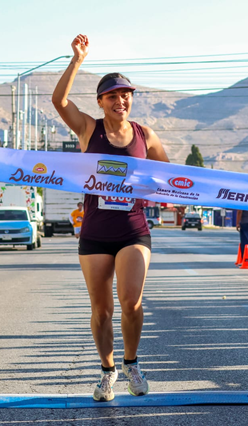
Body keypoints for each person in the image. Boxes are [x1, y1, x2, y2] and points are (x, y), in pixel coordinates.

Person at [52, 34, 169, 402]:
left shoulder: (144, 134)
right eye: (113, 96)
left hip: (133, 230)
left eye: (126, 95)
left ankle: (132, 363)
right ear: (100, 102)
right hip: (95, 233)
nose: (121, 101)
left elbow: (168, 177)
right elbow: (59, 101)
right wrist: (77, 60)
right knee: (101, 311)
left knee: (130, 301)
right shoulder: (89, 129)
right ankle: (107, 372)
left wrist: (146, 187)